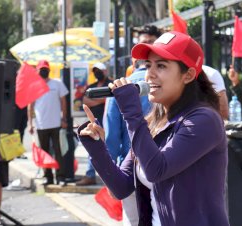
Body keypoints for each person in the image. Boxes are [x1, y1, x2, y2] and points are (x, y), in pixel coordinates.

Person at [78, 31, 229, 225]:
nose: (150, 74)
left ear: (188, 75)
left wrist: (131, 112)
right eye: (148, 65)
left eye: (161, 66)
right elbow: (121, 187)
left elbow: (157, 170)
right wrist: (96, 147)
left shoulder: (204, 120)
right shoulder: (153, 122)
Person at [104, 24, 161, 225]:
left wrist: (112, 176)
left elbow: (111, 138)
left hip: (135, 174)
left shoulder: (119, 88)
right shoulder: (169, 88)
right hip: (157, 173)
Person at [28, 60, 69, 185]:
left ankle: (61, 177)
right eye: (41, 69)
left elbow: (63, 102)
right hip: (41, 125)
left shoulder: (57, 83)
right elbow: (30, 106)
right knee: (44, 152)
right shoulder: (34, 86)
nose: (43, 71)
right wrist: (30, 124)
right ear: (37, 71)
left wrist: (64, 118)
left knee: (59, 151)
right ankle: (48, 177)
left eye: (45, 69)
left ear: (49, 70)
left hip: (56, 123)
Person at [76, 62, 113, 186]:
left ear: (105, 71)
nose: (97, 73)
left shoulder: (111, 84)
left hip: (109, 121)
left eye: (99, 70)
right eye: (95, 70)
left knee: (111, 147)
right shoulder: (91, 86)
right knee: (92, 147)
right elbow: (85, 101)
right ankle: (90, 175)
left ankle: (111, 175)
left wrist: (95, 100)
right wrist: (101, 100)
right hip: (94, 122)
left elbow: (110, 98)